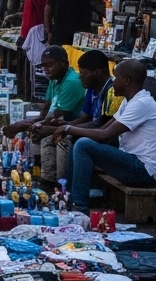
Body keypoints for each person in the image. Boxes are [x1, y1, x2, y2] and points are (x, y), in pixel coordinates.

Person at [54, 59, 156, 209]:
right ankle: (70, 196)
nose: (113, 82)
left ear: (126, 80)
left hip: (145, 172)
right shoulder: (130, 101)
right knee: (79, 140)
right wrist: (70, 129)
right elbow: (101, 129)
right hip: (135, 164)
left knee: (83, 145)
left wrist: (67, 128)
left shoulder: (141, 103)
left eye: (115, 78)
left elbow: (104, 135)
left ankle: (79, 206)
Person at [35, 49, 118, 188]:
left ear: (97, 73)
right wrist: (64, 124)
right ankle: (48, 182)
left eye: (83, 73)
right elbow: (85, 117)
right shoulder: (92, 89)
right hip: (93, 131)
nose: (80, 77)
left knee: (64, 140)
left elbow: (100, 126)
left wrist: (66, 128)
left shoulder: (111, 92)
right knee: (49, 137)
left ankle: (64, 186)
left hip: (106, 138)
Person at [3, 45, 83, 140]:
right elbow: (44, 114)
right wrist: (20, 124)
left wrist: (22, 126)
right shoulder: (54, 79)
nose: (45, 69)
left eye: (49, 65)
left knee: (42, 136)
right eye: (43, 66)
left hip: (73, 127)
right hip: (57, 123)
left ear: (63, 63)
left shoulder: (71, 82)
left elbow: (59, 118)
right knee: (34, 133)